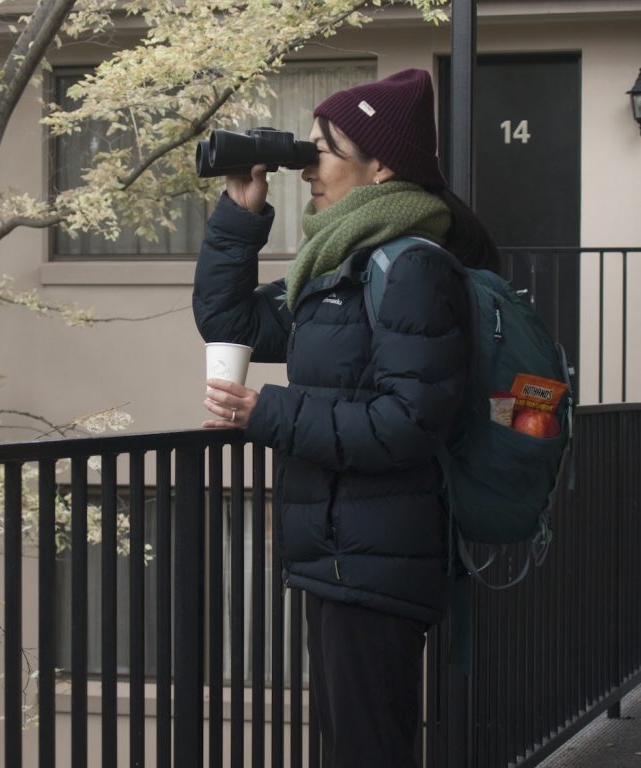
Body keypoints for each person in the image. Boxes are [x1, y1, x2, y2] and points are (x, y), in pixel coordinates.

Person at [192, 69, 498, 768]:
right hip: (341, 552)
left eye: (321, 150)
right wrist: (241, 213)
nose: (307, 170)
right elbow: (228, 320)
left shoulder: (411, 268)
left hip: (374, 563)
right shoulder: (337, 269)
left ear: (382, 164)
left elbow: (406, 422)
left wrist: (267, 411)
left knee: (367, 753)